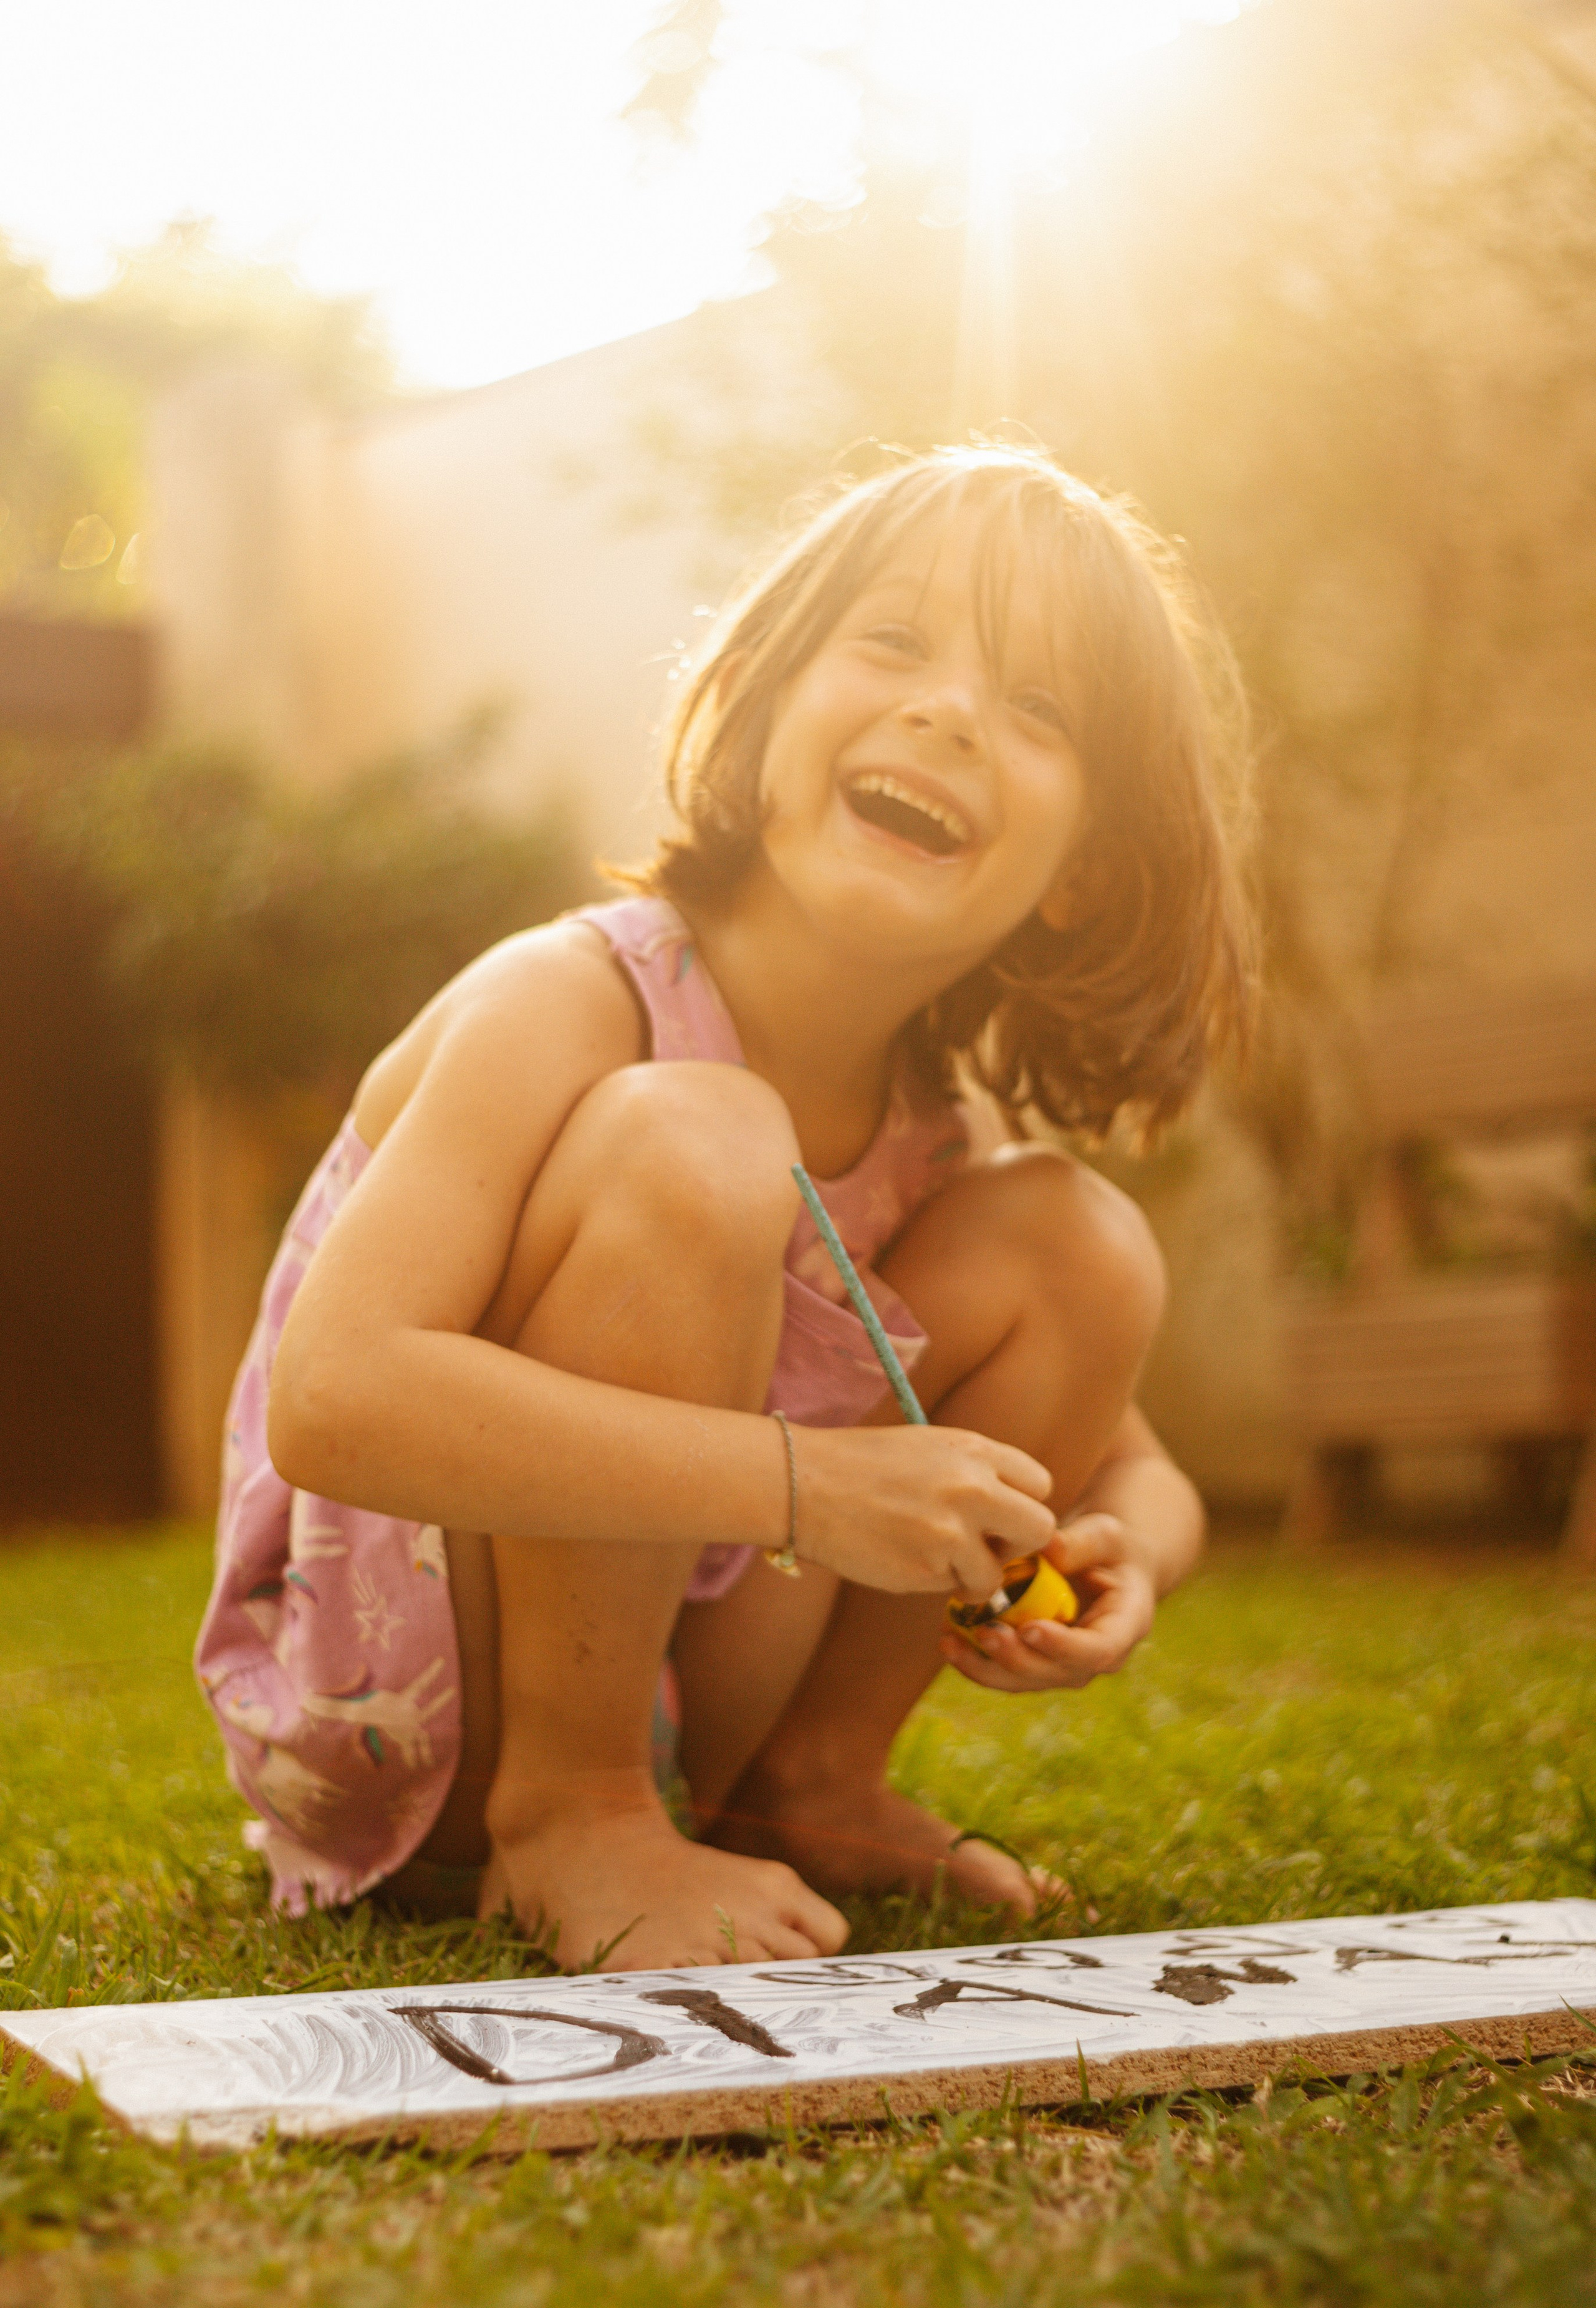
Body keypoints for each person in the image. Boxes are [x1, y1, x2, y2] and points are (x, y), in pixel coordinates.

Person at [195, 444, 1252, 1972]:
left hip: (692, 1675)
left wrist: (1126, 1557)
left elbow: (1144, 1474)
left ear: (1078, 871)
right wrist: (809, 1493)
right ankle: (572, 1813)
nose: (949, 710)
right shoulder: (568, 999)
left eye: (1036, 709)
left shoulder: (938, 1133)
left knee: (1079, 1242)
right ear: (758, 703)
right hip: (411, 1704)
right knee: (699, 1137)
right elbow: (336, 1394)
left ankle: (803, 1793)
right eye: (893, 641)